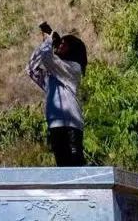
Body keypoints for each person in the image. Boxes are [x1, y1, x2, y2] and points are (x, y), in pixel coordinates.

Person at [28, 21, 88, 166]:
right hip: (54, 124)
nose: (60, 45)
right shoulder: (53, 73)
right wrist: (47, 42)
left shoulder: (74, 68)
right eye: (59, 43)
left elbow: (48, 59)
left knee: (75, 167)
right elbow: (31, 69)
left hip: (71, 124)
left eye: (64, 44)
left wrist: (49, 40)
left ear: (72, 50)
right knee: (63, 169)